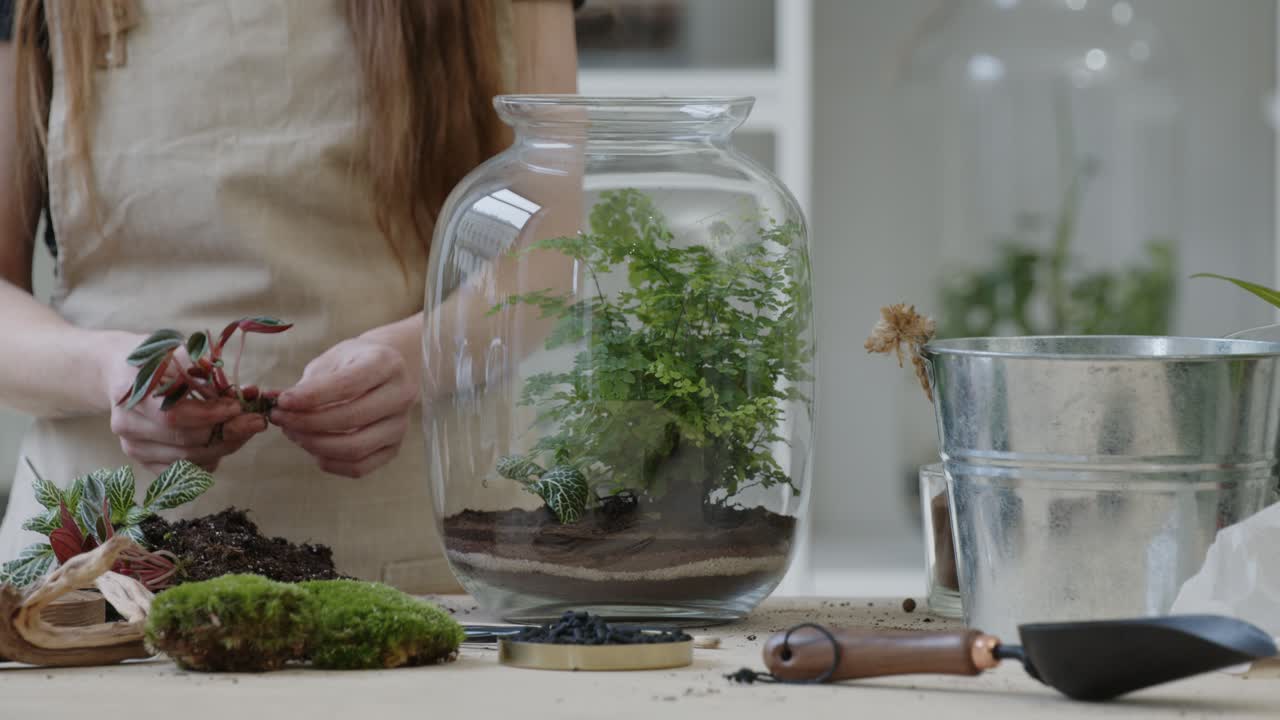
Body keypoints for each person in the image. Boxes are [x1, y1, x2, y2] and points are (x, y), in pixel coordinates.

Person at [0, 0, 581, 594]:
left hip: (410, 559)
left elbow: (548, 251)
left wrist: (420, 357)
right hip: (99, 572)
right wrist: (109, 372)